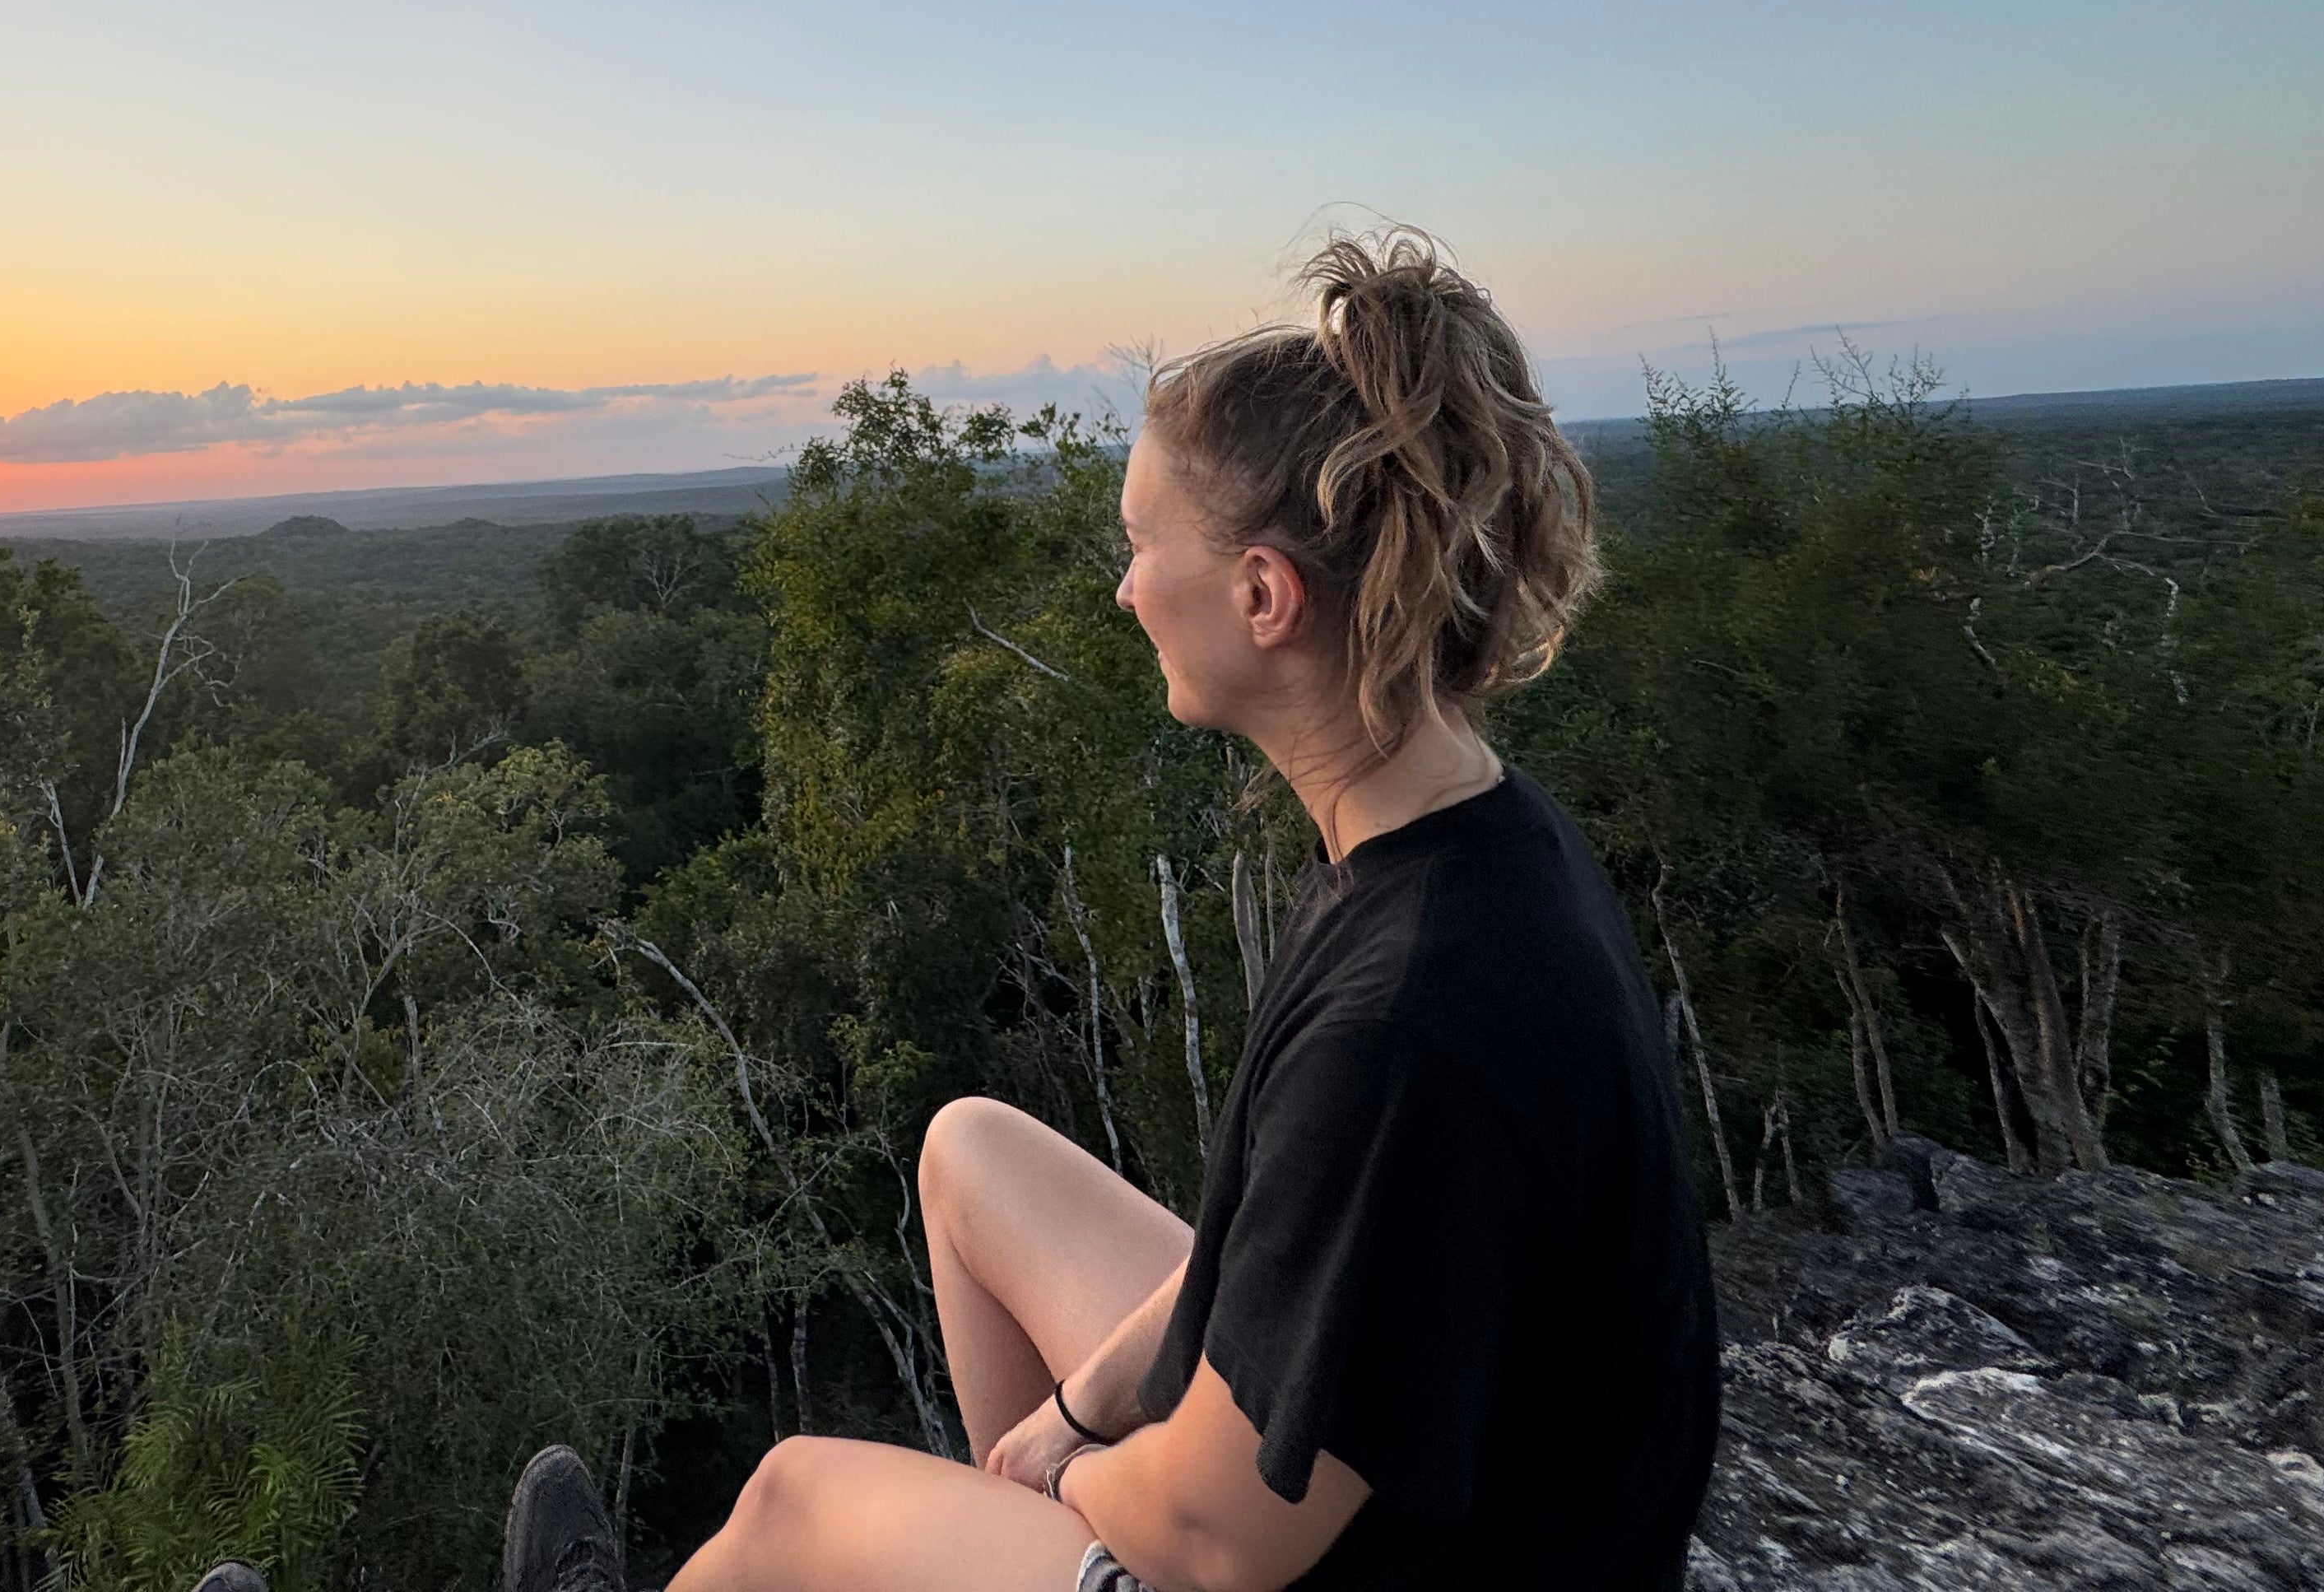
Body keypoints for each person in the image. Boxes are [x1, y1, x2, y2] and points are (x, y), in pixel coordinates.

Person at [482, 229, 1718, 1592]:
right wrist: (1072, 1413)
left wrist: (1069, 1481)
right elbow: (1266, 1257)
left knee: (792, 1502)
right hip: (1418, 1497)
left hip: (1356, 1559)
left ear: (1263, 594)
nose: (1124, 587)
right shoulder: (1466, 841)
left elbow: (1220, 1541)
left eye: (1141, 545)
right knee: (970, 1158)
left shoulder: (1409, 1022)